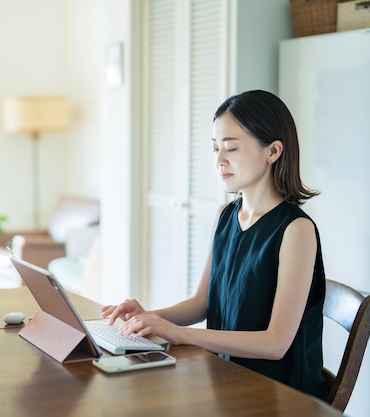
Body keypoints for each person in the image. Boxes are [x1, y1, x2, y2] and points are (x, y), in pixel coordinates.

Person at [101, 90, 329, 400]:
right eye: (215, 148)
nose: (219, 160)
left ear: (273, 151)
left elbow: (276, 344)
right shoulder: (226, 215)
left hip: (279, 395)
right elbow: (202, 303)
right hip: (226, 378)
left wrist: (182, 335)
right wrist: (149, 318)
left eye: (231, 148)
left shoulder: (296, 230)